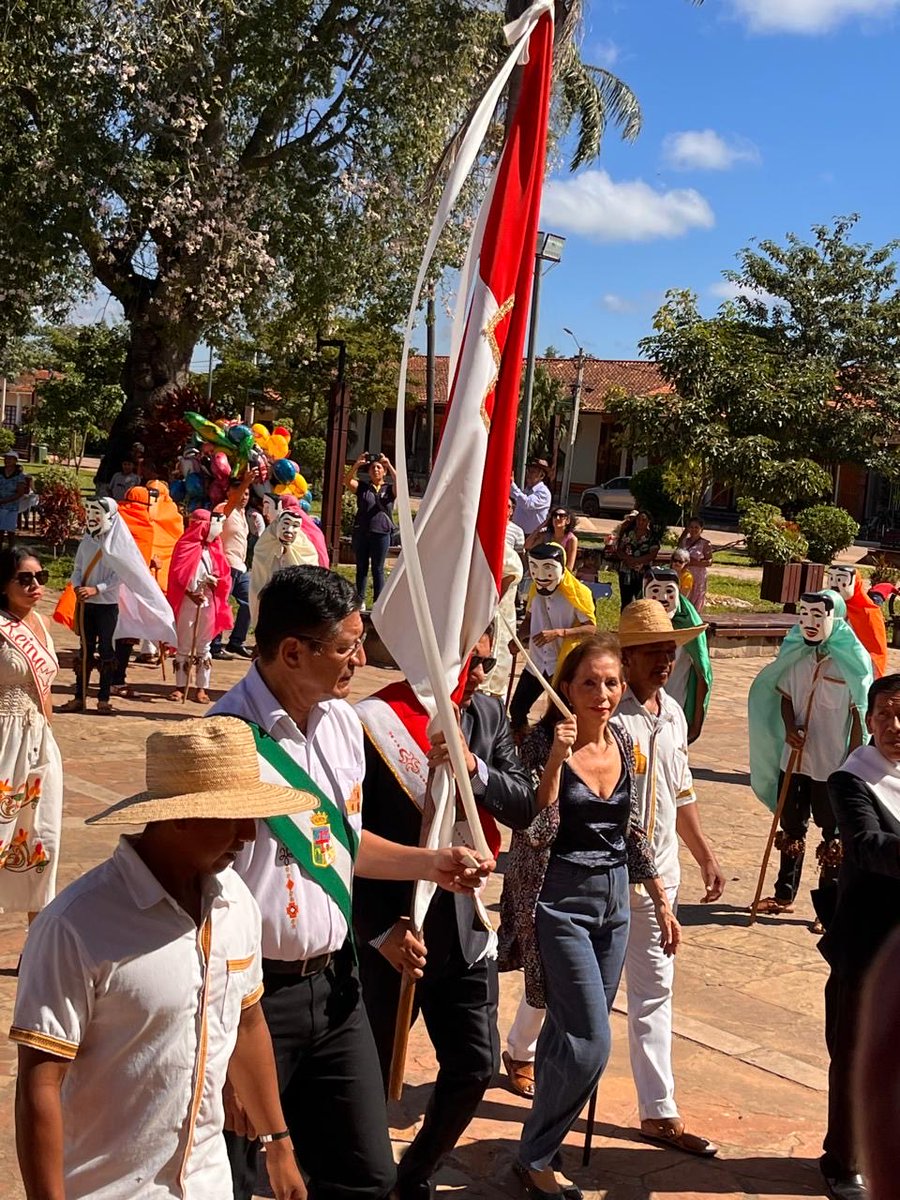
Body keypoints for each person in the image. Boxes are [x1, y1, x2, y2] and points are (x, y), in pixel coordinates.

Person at [209, 566, 495, 1200]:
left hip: (337, 990)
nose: (360, 660)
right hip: (252, 1004)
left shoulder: (341, 724)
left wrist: (430, 863)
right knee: (237, 1178)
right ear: (291, 652)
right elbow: (202, 895)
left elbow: (339, 845)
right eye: (344, 647)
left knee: (366, 1176)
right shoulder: (224, 740)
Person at [10, 717, 308, 1200]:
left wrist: (278, 1143)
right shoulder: (77, 926)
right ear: (179, 816)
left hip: (209, 1182)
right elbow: (40, 1081)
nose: (250, 835)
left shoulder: (237, 903)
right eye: (233, 817)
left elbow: (248, 1021)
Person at [502, 603, 723, 1159]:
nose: (668, 659)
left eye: (673, 649)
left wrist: (698, 861)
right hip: (564, 893)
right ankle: (524, 1074)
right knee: (579, 1024)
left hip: (641, 884)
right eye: (655, 650)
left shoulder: (667, 717)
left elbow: (670, 798)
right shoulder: (574, 729)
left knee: (649, 998)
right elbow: (536, 826)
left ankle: (658, 1112)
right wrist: (553, 759)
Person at [354, 629, 537, 1200]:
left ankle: (413, 1176)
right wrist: (378, 929)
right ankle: (355, 1176)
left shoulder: (485, 716)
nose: (481, 673)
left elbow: (524, 803)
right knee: (367, 1074)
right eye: (473, 661)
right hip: (393, 930)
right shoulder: (369, 721)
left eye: (489, 661)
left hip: (461, 923)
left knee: (475, 1064)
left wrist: (472, 767)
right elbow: (337, 838)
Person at [819, 675, 900, 1200]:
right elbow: (868, 846)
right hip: (868, 943)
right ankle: (842, 1160)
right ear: (868, 721)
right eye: (885, 715)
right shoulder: (852, 779)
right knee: (855, 1052)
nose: (895, 726)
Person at [749, 591, 872, 926]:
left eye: (818, 617)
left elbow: (860, 713)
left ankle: (828, 909)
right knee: (791, 827)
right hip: (795, 759)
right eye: (805, 615)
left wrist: (854, 760)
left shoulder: (851, 663)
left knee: (832, 835)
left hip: (832, 764)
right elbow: (786, 697)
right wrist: (790, 728)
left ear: (835, 619)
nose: (811, 623)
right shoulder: (797, 654)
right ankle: (784, 893)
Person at [57, 497, 177, 714]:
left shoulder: (118, 545)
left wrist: (97, 589)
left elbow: (121, 575)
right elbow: (77, 568)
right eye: (90, 512)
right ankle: (79, 697)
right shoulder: (87, 541)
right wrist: (77, 586)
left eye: (97, 513)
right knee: (85, 650)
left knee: (106, 651)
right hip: (86, 605)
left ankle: (103, 698)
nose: (92, 517)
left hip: (106, 605)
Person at [0, 547, 62, 919]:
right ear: (4, 584)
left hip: (39, 742)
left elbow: (47, 692)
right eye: (24, 578)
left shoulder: (44, 624)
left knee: (42, 838)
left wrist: (48, 738)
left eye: (41, 577)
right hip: (2, 738)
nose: (35, 584)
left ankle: (36, 942)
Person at [509, 542, 596, 736]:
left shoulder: (578, 594)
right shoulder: (535, 590)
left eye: (547, 568)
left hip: (562, 664)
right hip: (537, 663)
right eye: (534, 568)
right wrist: (519, 638)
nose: (540, 575)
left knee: (560, 716)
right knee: (517, 710)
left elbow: (591, 628)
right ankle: (523, 750)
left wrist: (559, 633)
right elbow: (529, 619)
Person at [167, 508, 233, 704]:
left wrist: (217, 583)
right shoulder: (184, 545)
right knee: (184, 643)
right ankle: (180, 686)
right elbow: (177, 575)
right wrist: (190, 593)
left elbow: (224, 573)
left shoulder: (215, 547)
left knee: (204, 644)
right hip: (188, 601)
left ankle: (202, 688)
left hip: (208, 601)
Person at [642, 567, 712, 744]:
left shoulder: (689, 624)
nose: (663, 598)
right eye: (656, 591)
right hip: (640, 707)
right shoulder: (637, 620)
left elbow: (702, 673)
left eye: (669, 592)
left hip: (675, 705)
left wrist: (696, 724)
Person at [345, 451, 397, 603]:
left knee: (378, 569)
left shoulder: (388, 489)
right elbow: (347, 481)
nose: (376, 470)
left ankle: (378, 603)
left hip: (381, 533)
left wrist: (389, 465)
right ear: (368, 471)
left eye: (379, 468)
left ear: (384, 472)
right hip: (362, 532)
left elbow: (401, 483)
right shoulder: (363, 488)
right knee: (361, 567)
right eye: (373, 468)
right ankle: (360, 601)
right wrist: (357, 465)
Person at [212, 477, 255, 660]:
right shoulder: (223, 508)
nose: (244, 496)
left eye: (247, 493)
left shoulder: (242, 512)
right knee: (220, 605)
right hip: (225, 565)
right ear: (229, 492)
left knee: (251, 601)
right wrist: (246, 482)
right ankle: (214, 645)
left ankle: (236, 641)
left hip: (240, 567)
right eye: (240, 492)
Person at [826, 564, 888, 679]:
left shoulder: (868, 614)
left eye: (840, 579)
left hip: (854, 673)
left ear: (855, 583)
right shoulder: (825, 607)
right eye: (831, 579)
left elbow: (876, 651)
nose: (834, 585)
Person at [615, 510, 660, 610]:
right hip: (626, 571)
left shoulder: (652, 537)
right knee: (625, 600)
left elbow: (652, 554)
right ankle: (625, 622)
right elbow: (619, 549)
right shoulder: (628, 533)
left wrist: (636, 560)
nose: (640, 522)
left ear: (649, 522)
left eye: (644, 520)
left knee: (641, 600)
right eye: (638, 519)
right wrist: (628, 559)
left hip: (642, 572)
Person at [676, 517, 713, 612]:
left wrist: (694, 562)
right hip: (684, 574)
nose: (693, 529)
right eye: (691, 527)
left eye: (696, 527)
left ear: (701, 529)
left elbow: (709, 561)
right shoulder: (684, 542)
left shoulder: (705, 543)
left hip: (698, 575)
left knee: (696, 597)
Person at [510, 459, 552, 538]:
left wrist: (512, 485)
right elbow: (516, 496)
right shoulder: (527, 490)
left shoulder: (544, 492)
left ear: (542, 476)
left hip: (533, 536)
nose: (529, 474)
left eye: (533, 472)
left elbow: (527, 503)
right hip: (519, 533)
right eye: (528, 471)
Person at [0, 451, 28, 550]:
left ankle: (11, 551)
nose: (7, 460)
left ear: (15, 461)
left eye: (10, 459)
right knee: (0, 530)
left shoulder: (19, 475)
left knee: (10, 530)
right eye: (6, 458)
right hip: (0, 504)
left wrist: (5, 500)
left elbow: (20, 492)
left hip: (11, 506)